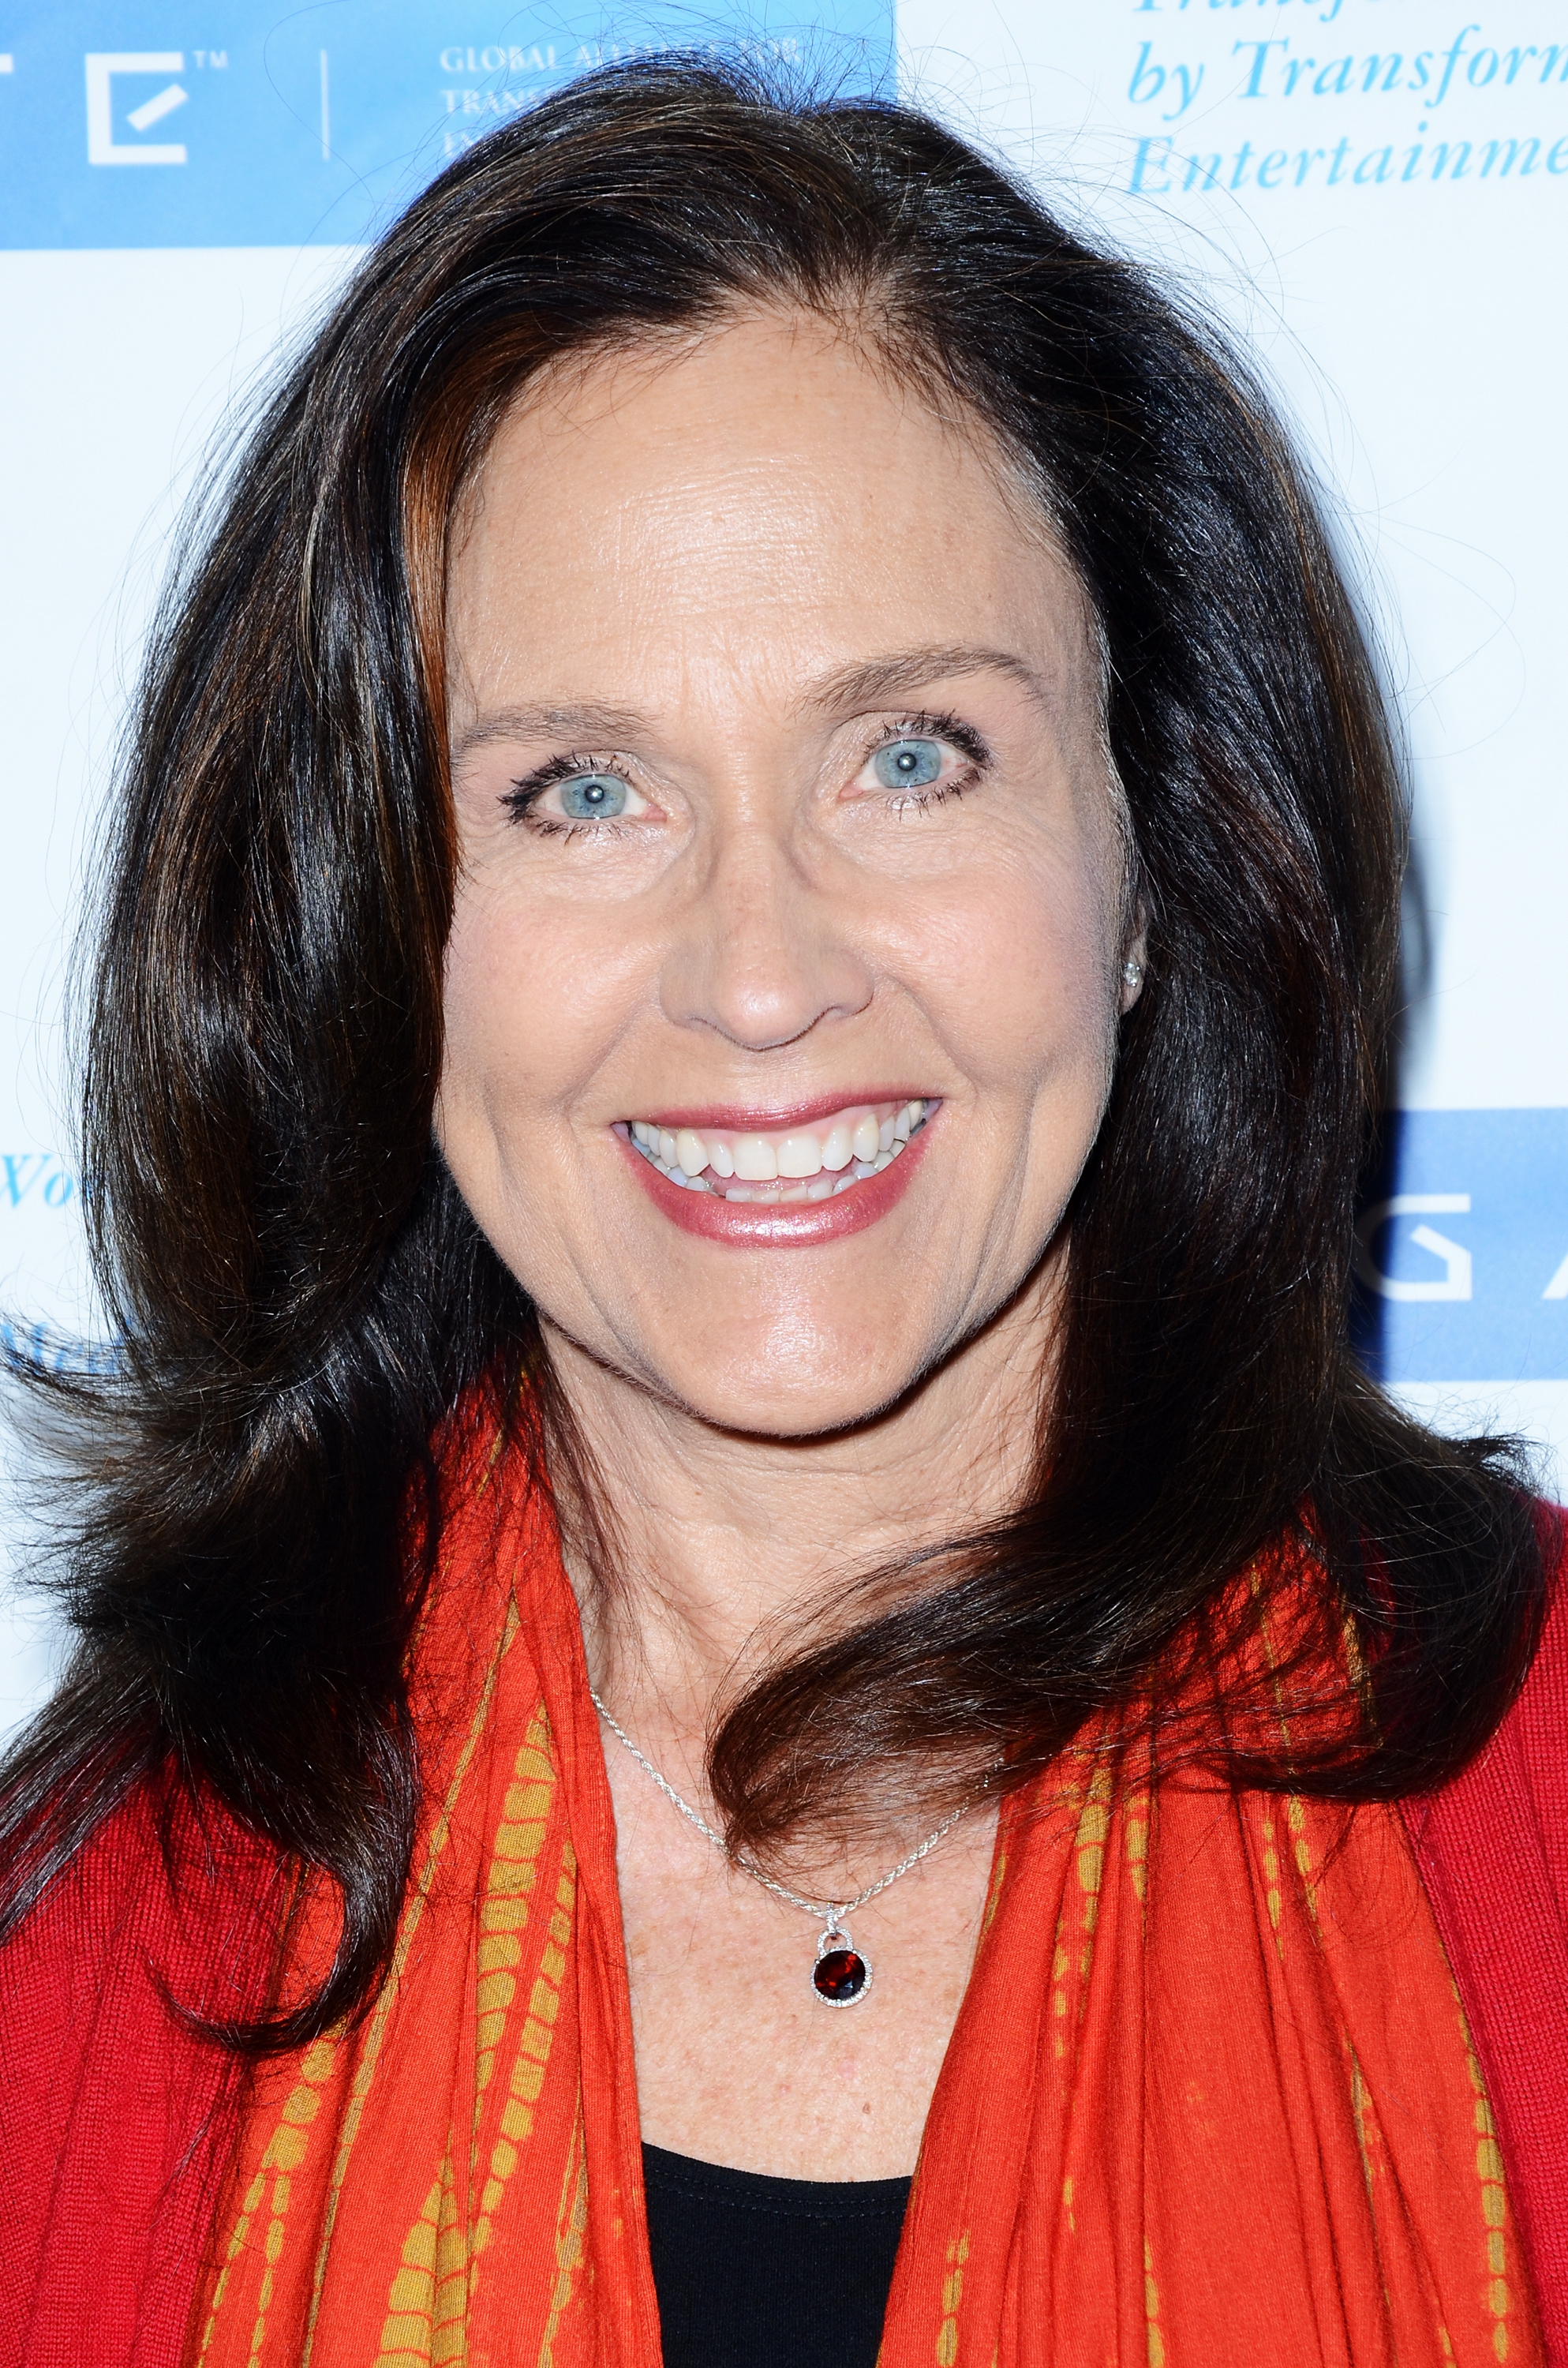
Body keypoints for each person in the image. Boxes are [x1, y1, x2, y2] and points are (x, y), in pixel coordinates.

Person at [1, 58, 1563, 2368]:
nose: (759, 972)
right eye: (581, 789)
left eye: (910, 753)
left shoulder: (1536, 1806)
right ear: (369, 922)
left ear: (1152, 858)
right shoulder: (88, 1960)